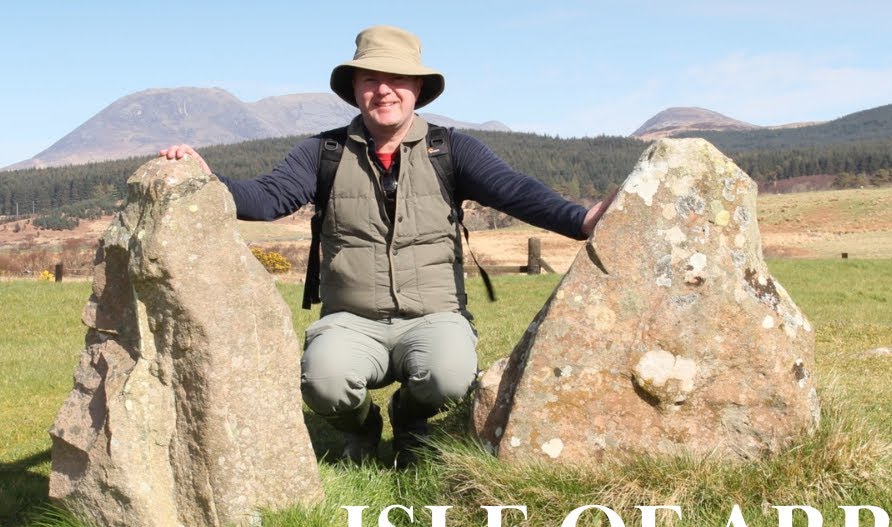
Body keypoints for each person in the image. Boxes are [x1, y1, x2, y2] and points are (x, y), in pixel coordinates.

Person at [161, 25, 612, 467]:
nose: (384, 90)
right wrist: (205, 180)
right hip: (351, 321)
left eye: (396, 79)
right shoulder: (325, 152)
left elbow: (515, 190)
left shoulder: (451, 150)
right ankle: (361, 426)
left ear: (417, 87)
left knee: (450, 377)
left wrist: (581, 219)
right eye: (370, 79)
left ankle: (410, 416)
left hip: (435, 316)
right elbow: (267, 197)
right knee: (324, 382)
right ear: (355, 89)